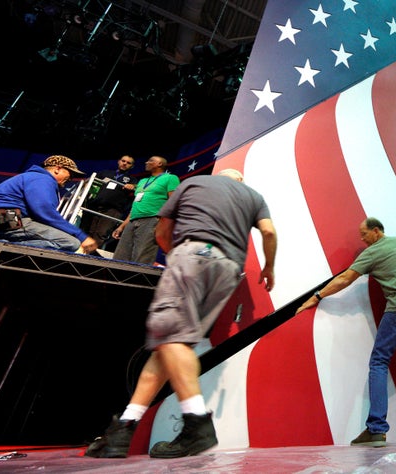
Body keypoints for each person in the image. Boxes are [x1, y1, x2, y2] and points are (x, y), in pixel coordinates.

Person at [85, 168, 277, 458]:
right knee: (169, 348)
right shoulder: (253, 196)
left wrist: (176, 255)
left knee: (169, 337)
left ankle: (196, 423)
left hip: (193, 255)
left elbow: (162, 231)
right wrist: (269, 266)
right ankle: (124, 429)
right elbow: (269, 232)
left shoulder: (195, 182)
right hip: (228, 269)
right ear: (239, 181)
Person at [296, 217, 396, 447]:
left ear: (377, 231)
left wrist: (317, 296)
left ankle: (377, 429)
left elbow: (344, 279)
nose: (361, 239)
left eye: (364, 234)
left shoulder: (371, 254)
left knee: (379, 362)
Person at [0, 155, 98, 253]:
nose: (71, 178)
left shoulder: (36, 177)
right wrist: (80, 236)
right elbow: (44, 211)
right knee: (69, 242)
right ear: (57, 169)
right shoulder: (42, 179)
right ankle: (2, 247)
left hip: (5, 217)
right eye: (70, 173)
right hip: (5, 216)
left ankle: (3, 243)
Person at [112, 156, 180, 264]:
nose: (147, 162)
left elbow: (174, 202)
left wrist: (164, 224)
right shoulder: (142, 181)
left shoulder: (171, 178)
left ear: (160, 164)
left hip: (152, 220)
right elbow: (136, 205)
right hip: (133, 220)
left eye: (151, 160)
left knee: (142, 258)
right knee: (120, 257)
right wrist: (122, 226)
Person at [83, 155, 136, 248]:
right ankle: (79, 253)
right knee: (87, 230)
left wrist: (133, 186)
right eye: (123, 161)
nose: (125, 163)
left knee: (101, 233)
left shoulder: (133, 180)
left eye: (128, 163)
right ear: (119, 161)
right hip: (94, 206)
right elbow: (90, 184)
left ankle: (91, 257)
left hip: (113, 210)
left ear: (132, 166)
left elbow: (138, 189)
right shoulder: (105, 173)